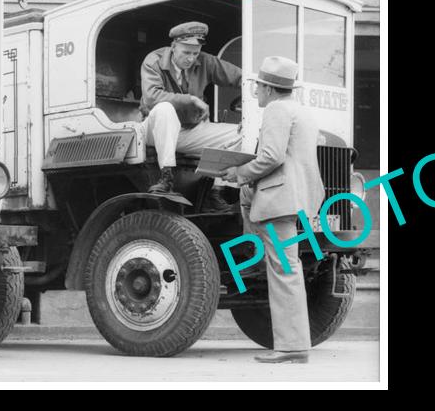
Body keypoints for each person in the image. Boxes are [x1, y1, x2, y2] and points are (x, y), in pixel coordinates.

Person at [220, 56, 325, 364]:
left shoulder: (278, 110)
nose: (257, 93)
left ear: (267, 88)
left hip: (277, 200)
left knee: (284, 272)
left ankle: (292, 347)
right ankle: (294, 344)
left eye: (259, 87)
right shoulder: (300, 111)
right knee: (286, 270)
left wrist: (238, 175)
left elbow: (270, 157)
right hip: (294, 199)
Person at [139, 21, 242, 193]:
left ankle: (216, 191)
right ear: (173, 47)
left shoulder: (205, 61)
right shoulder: (153, 60)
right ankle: (166, 178)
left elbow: (241, 77)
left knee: (242, 134)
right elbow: (152, 98)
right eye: (186, 52)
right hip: (154, 131)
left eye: (195, 53)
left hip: (189, 130)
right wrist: (191, 99)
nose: (191, 58)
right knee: (165, 108)